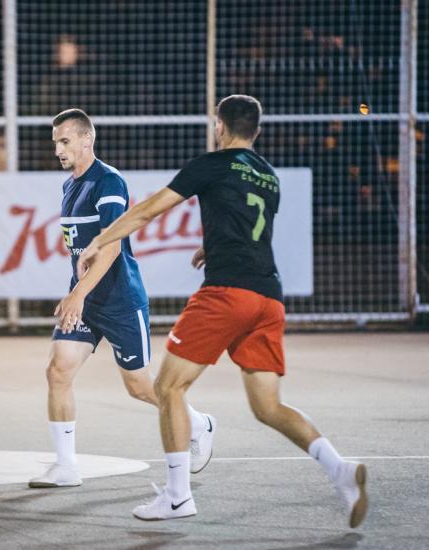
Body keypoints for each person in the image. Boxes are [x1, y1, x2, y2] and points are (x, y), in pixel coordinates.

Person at [77, 95, 368, 527]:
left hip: (227, 294)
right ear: (258, 130)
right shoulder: (269, 177)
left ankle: (178, 497)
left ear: (220, 126)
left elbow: (148, 211)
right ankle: (341, 471)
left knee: (170, 388)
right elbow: (249, 227)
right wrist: (208, 246)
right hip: (268, 298)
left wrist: (101, 240)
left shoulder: (212, 164)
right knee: (268, 408)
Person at [28, 108, 216, 488]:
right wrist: (79, 293)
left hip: (120, 300)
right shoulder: (69, 186)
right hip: (86, 302)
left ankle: (198, 423)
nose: (59, 150)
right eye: (55, 143)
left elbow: (110, 248)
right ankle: (66, 466)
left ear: (86, 139)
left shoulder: (108, 182)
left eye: (65, 141)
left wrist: (78, 293)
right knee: (58, 369)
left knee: (139, 387)